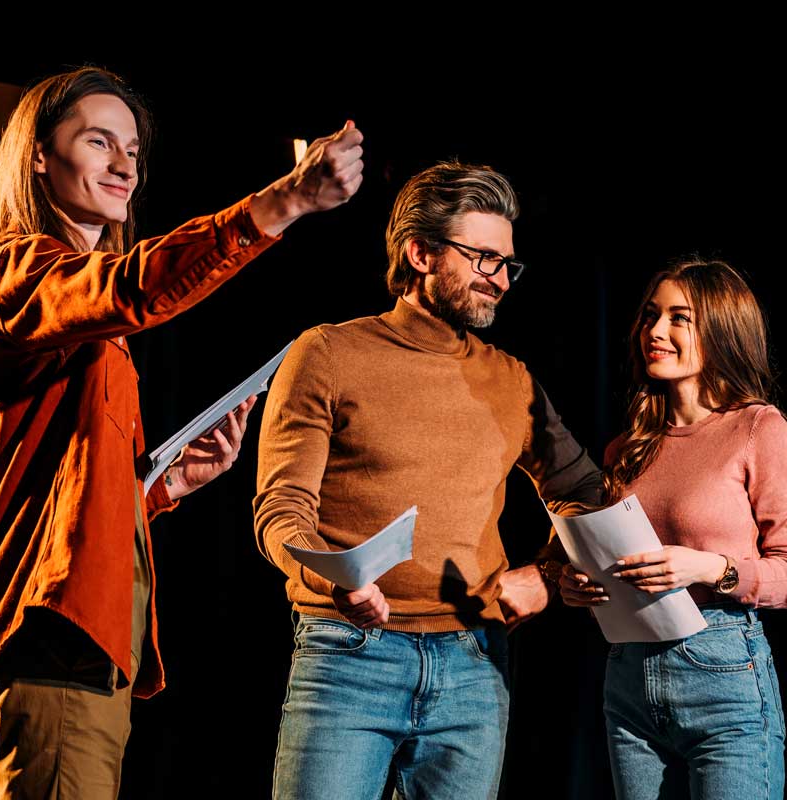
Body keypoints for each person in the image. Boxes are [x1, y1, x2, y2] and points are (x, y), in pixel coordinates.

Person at [0, 65, 363, 800]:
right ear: (38, 157)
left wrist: (164, 486)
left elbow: (64, 496)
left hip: (85, 642)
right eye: (99, 142)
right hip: (51, 637)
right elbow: (132, 289)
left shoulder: (87, 323)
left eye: (132, 150)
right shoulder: (13, 271)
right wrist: (283, 201)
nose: (125, 166)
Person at [253, 159, 604, 799]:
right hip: (348, 654)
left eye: (508, 264)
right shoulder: (328, 353)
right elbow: (281, 509)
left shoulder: (512, 379)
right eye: (484, 259)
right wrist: (334, 576)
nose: (501, 279)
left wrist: (550, 572)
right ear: (420, 253)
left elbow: (585, 492)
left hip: (475, 663)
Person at [560, 258, 787, 799]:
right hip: (629, 679)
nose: (655, 331)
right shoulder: (626, 449)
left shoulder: (758, 428)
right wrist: (579, 585)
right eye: (650, 316)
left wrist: (708, 567)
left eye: (678, 318)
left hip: (723, 674)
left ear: (722, 331)